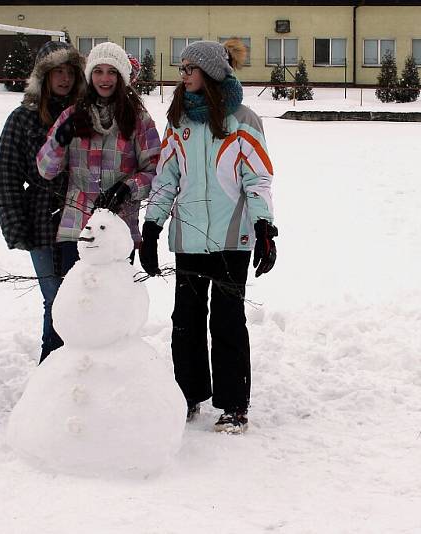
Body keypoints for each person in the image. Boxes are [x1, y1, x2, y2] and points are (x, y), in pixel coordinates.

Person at [139, 40, 278, 434]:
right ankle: (187, 394)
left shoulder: (243, 120)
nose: (182, 75)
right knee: (185, 319)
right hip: (190, 239)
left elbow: (258, 178)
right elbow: (165, 180)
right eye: (181, 68)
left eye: (189, 68)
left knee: (228, 321)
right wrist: (152, 228)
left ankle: (234, 404)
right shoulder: (179, 121)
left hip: (232, 239)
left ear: (211, 72)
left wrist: (264, 227)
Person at [0, 40, 86, 364]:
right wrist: (16, 225)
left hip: (80, 220)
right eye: (56, 72)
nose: (64, 79)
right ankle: (51, 366)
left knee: (77, 300)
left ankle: (72, 366)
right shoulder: (21, 119)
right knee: (54, 299)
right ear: (43, 77)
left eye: (69, 72)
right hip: (40, 222)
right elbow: (6, 176)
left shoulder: (87, 117)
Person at [37, 41, 161, 275]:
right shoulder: (71, 115)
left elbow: (155, 170)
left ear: (122, 77)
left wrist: (128, 187)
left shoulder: (138, 119)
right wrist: (58, 141)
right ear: (89, 75)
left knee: (113, 306)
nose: (105, 79)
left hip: (118, 231)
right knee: (77, 307)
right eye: (98, 71)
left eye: (112, 72)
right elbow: (46, 170)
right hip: (77, 231)